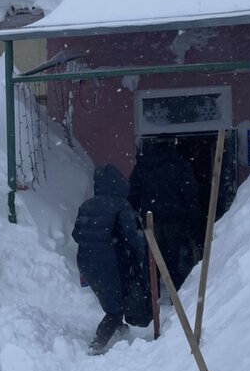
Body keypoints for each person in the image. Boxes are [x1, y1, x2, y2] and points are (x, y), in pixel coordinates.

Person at [72, 163, 152, 354]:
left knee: (112, 299)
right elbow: (131, 237)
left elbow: (76, 235)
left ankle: (120, 331)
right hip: (111, 264)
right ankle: (97, 344)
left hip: (86, 263)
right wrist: (140, 255)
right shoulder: (120, 205)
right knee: (115, 308)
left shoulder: (86, 205)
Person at [127, 136, 201, 291]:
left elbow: (132, 194)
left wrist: (137, 213)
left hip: (151, 220)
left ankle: (151, 297)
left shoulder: (143, 165)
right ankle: (179, 296)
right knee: (175, 260)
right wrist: (194, 220)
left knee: (151, 260)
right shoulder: (180, 164)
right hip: (175, 219)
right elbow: (190, 194)